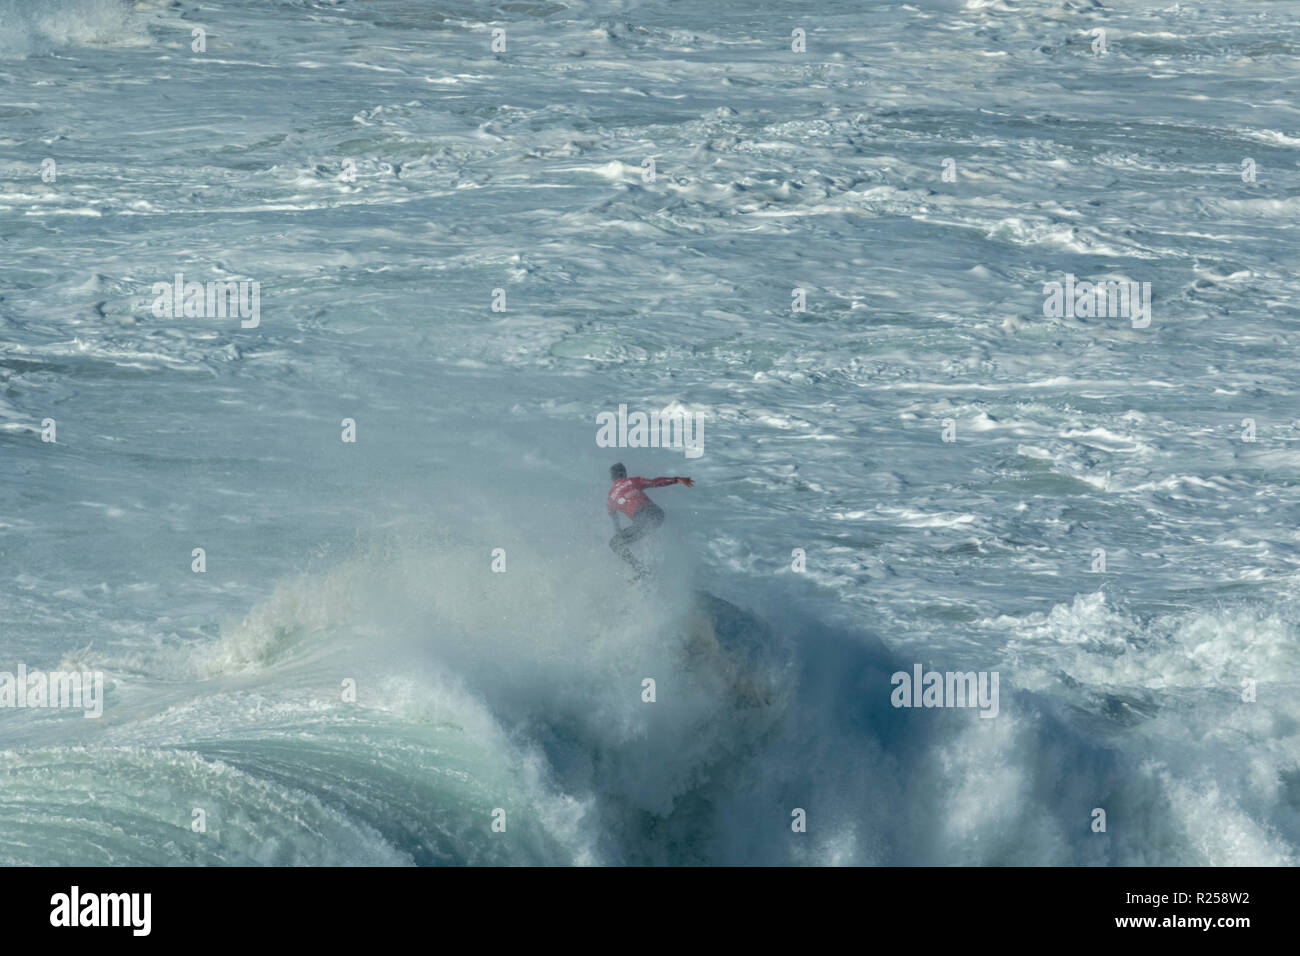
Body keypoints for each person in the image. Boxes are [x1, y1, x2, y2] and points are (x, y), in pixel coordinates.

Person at [606, 462, 693, 578]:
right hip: (657, 514)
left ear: (612, 477)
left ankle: (640, 569)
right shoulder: (632, 481)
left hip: (643, 519)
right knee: (644, 532)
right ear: (625, 473)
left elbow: (616, 523)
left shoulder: (611, 497)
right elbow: (655, 482)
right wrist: (677, 479)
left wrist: (623, 540)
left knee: (615, 543)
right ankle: (650, 564)